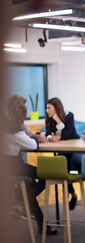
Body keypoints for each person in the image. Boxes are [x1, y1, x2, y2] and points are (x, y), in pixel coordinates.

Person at [3, 95, 57, 234]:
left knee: (30, 183)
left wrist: (33, 135)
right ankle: (20, 205)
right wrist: (35, 138)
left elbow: (27, 134)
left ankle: (41, 224)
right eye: (24, 114)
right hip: (11, 166)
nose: (25, 117)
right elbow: (32, 145)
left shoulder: (11, 123)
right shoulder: (12, 128)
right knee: (47, 174)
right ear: (19, 113)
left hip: (11, 164)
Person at [43, 97, 80, 210]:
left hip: (74, 149)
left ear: (56, 108)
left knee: (73, 164)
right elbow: (48, 133)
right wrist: (50, 138)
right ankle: (73, 194)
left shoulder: (69, 116)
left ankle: (74, 195)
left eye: (49, 108)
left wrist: (58, 120)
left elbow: (67, 135)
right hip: (63, 151)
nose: (47, 110)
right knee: (61, 168)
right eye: (46, 108)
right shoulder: (49, 118)